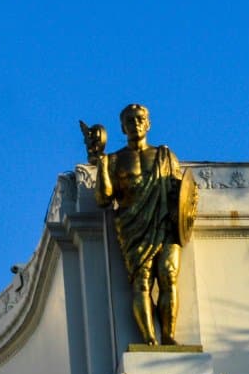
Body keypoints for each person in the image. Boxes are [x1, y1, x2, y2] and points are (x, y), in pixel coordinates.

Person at [81, 104, 196, 346]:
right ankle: (149, 338)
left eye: (140, 119)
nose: (136, 124)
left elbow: (180, 192)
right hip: (133, 227)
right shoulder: (114, 160)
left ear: (148, 123)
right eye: (130, 120)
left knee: (168, 275)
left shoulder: (165, 156)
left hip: (165, 224)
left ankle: (168, 336)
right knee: (142, 282)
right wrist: (101, 163)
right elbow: (104, 198)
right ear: (123, 127)